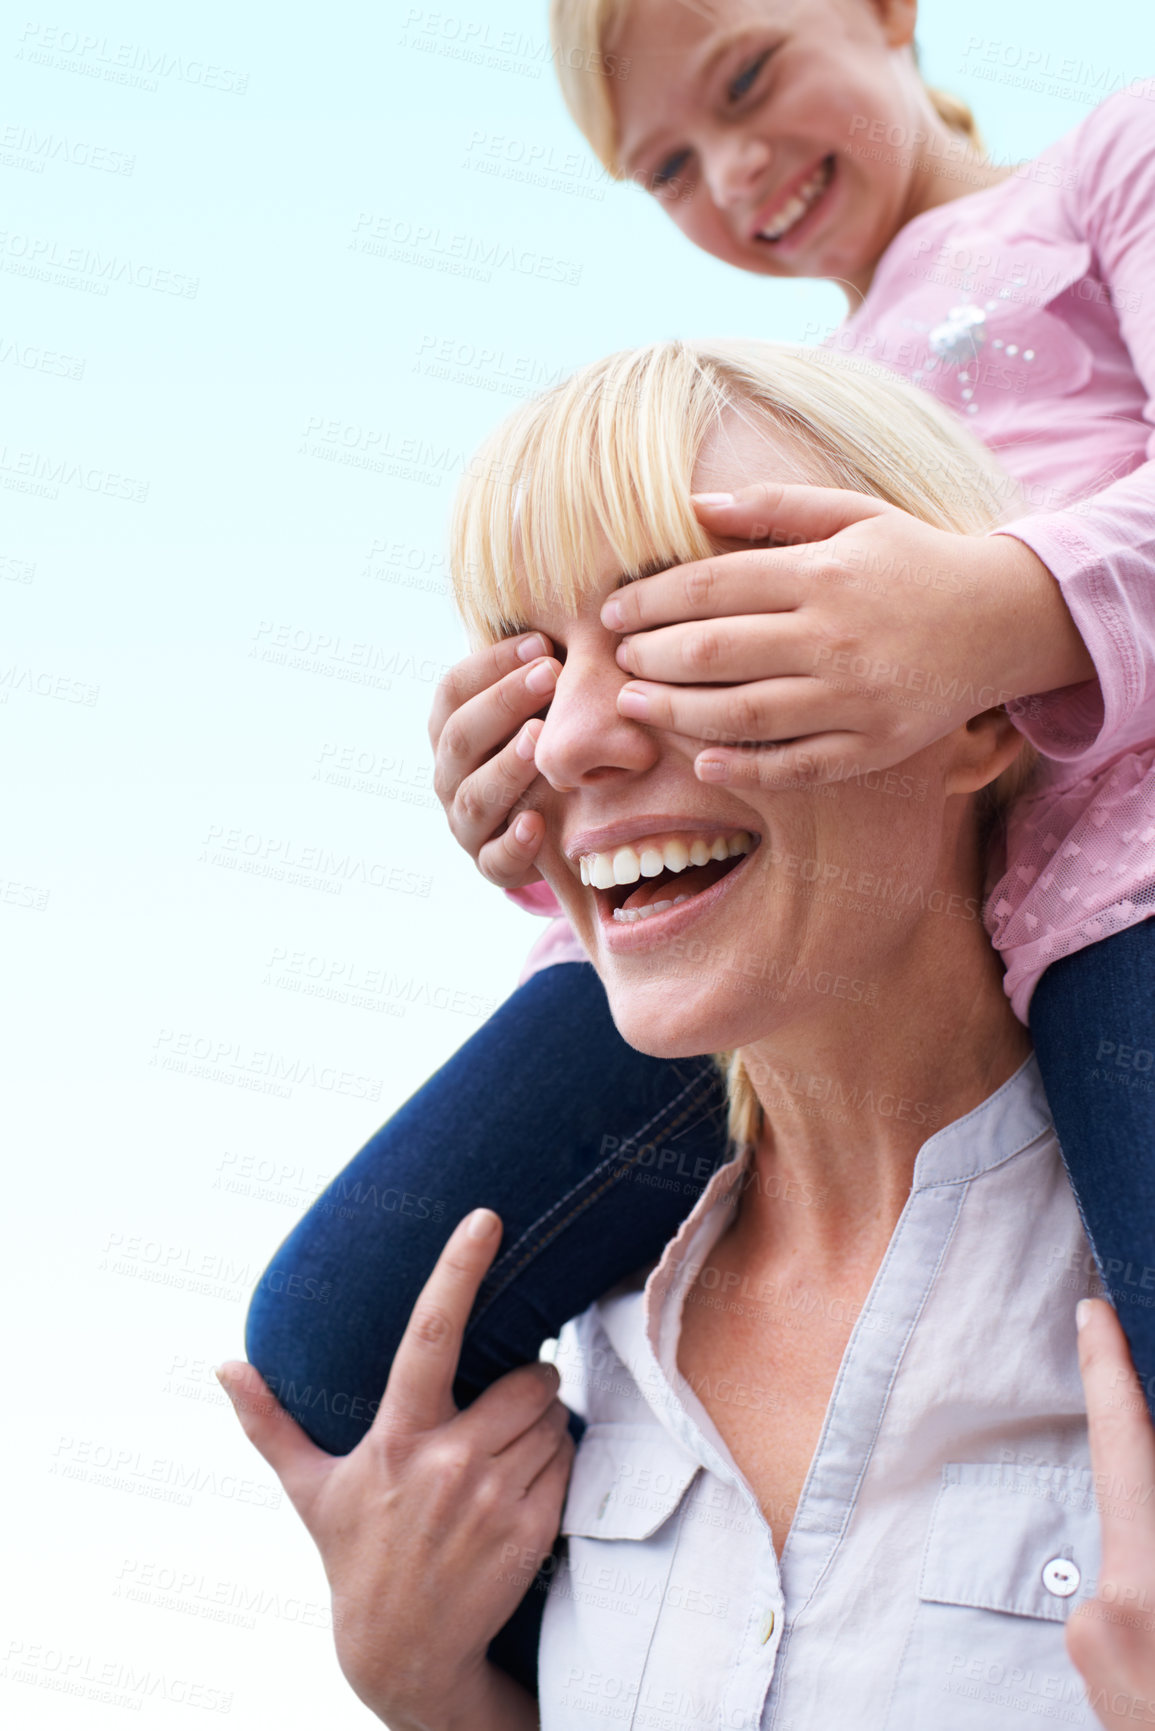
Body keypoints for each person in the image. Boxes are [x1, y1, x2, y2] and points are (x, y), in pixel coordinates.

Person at [244, 0, 1155, 1688]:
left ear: (888, 12)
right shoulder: (772, 404)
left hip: (1125, 899)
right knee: (333, 1333)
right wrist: (536, 818)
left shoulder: (1107, 176)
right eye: (664, 165)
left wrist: (998, 607)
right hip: (826, 931)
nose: (732, 173)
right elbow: (677, 793)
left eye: (746, 79)